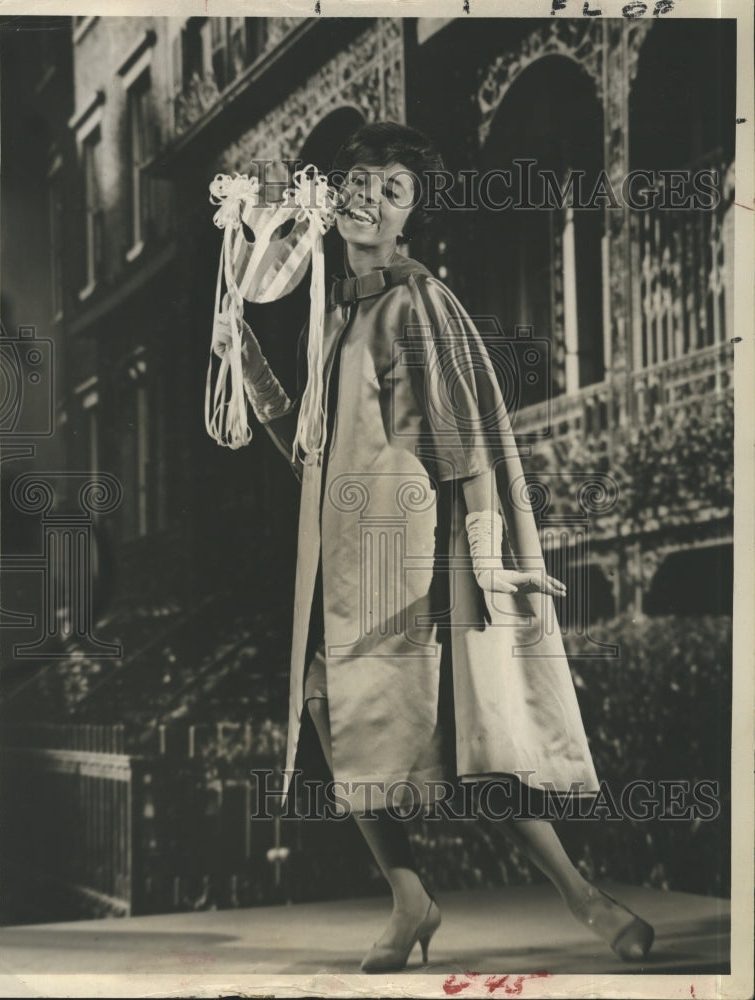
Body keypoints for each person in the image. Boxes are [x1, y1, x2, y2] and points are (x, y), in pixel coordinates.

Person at [212, 121, 654, 972]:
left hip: (414, 560)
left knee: (467, 743)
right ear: (331, 193)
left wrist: (486, 559)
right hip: (347, 564)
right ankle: (411, 899)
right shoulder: (340, 314)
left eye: (393, 188)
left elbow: (462, 445)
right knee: (322, 705)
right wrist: (248, 366)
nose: (369, 198)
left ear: (411, 214)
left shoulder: (417, 302)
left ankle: (583, 897)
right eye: (359, 181)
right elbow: (312, 454)